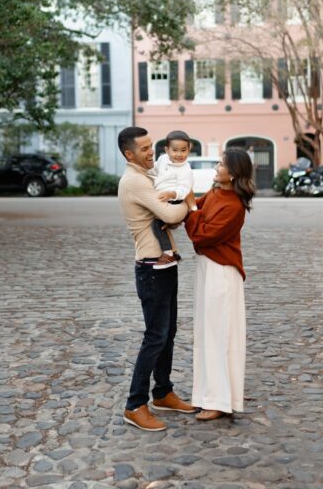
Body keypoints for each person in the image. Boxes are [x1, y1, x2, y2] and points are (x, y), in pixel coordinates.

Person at [117, 126, 199, 432]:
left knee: (168, 332)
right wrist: (186, 200)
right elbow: (172, 216)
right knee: (155, 336)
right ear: (129, 154)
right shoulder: (135, 181)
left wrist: (175, 206)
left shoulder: (148, 176)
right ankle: (135, 404)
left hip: (165, 263)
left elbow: (168, 215)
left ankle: (162, 392)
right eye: (145, 149)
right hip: (151, 267)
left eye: (153, 146)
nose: (152, 152)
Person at [185, 147, 253, 421]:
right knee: (206, 333)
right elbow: (194, 209)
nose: (217, 166)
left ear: (234, 172)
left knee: (219, 335)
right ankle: (207, 396)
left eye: (222, 163)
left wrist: (190, 207)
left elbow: (201, 236)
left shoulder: (234, 206)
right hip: (208, 269)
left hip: (223, 272)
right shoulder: (216, 193)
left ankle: (220, 401)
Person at [148, 130, 195, 270]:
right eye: (175, 150)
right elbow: (154, 171)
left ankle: (168, 254)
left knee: (156, 225)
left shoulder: (186, 170)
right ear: (166, 149)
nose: (179, 154)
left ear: (189, 149)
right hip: (160, 196)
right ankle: (174, 252)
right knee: (161, 226)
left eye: (183, 150)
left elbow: (184, 189)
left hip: (173, 200)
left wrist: (172, 194)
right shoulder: (162, 159)